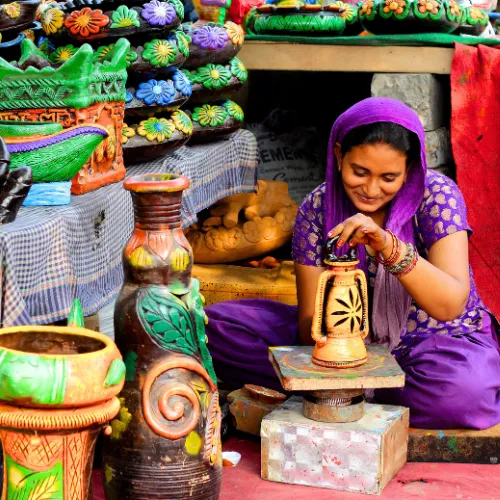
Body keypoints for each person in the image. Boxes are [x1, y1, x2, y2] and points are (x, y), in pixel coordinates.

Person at [205, 97, 500, 430]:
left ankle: (336, 394)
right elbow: (308, 328)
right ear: (338, 154)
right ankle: (352, 388)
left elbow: (449, 304)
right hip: (341, 346)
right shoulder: (317, 208)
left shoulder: (437, 196)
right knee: (211, 330)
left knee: (463, 392)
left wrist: (388, 248)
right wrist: (345, 336)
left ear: (410, 170)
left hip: (433, 343)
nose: (371, 189)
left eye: (389, 177)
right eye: (359, 172)